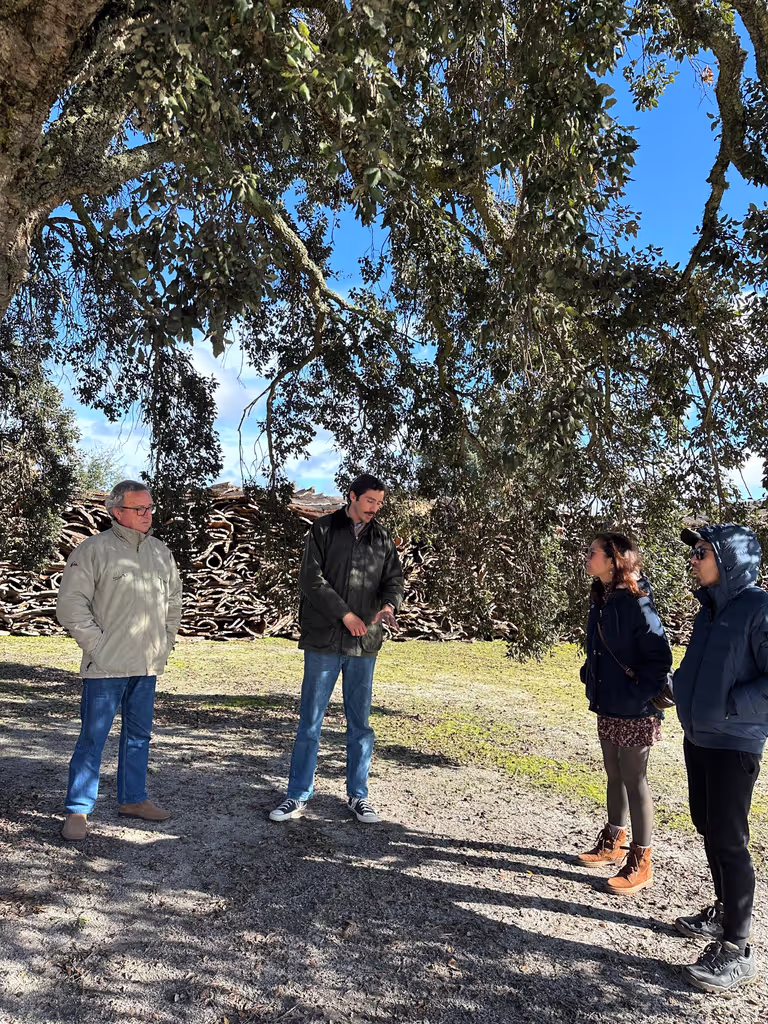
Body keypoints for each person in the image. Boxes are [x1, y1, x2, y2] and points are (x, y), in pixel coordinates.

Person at [270, 474, 404, 824]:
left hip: (365, 645)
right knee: (310, 721)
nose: (375, 508)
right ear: (352, 497)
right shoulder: (324, 529)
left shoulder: (383, 537)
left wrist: (389, 606)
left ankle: (358, 796)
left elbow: (394, 581)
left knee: (360, 724)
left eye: (379, 502)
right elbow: (310, 579)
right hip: (324, 641)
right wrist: (345, 615)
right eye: (370, 501)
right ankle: (297, 795)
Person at [56, 480, 182, 841]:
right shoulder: (93, 550)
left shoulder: (160, 552)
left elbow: (174, 601)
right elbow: (70, 605)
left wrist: (165, 641)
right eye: (139, 509)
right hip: (106, 666)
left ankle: (133, 799)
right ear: (117, 512)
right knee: (93, 738)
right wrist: (98, 646)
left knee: (139, 735)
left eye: (150, 508)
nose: (148, 515)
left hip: (146, 665)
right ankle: (78, 810)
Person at [673, 524, 767, 994]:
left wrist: (729, 708)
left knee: (730, 841)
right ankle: (724, 912)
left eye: (703, 553)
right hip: (701, 738)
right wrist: (676, 690)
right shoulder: (707, 613)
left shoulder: (758, 608)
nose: (694, 559)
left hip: (735, 743)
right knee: (707, 826)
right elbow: (698, 669)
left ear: (729, 560)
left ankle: (738, 949)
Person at [576, 532, 672, 895]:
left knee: (635, 779)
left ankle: (641, 860)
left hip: (636, 707)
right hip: (609, 701)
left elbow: (660, 658)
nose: (587, 557)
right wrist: (591, 675)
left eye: (592, 553)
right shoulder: (601, 597)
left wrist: (639, 696)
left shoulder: (636, 601)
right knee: (613, 772)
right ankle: (614, 840)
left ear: (614, 559)